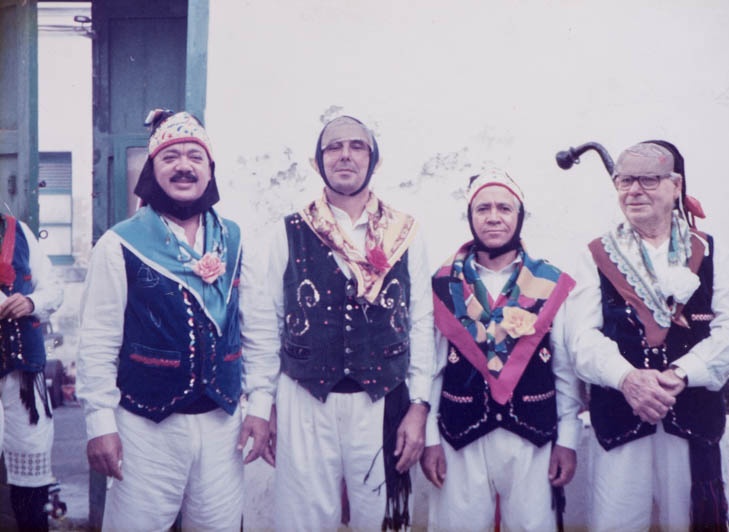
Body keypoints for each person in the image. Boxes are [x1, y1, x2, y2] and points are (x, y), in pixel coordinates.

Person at [76, 109, 270, 530]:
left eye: (195, 157)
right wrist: (99, 424)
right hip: (145, 428)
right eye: (170, 157)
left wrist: (261, 407)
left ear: (210, 170)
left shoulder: (236, 240)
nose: (184, 166)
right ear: (153, 170)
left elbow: (259, 330)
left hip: (223, 427)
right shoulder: (119, 243)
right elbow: (97, 340)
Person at [569, 141, 729, 531]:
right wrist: (628, 378)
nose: (634, 191)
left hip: (692, 420)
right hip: (620, 420)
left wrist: (682, 373)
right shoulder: (594, 255)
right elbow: (582, 340)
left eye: (649, 180)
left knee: (688, 522)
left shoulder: (710, 251)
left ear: (676, 186)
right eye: (625, 181)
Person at [259, 115, 434, 530]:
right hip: (304, 397)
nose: (345, 155)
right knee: (302, 522)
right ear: (318, 161)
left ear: (373, 159)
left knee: (380, 520)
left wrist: (419, 407)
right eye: (334, 147)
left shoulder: (405, 232)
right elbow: (266, 321)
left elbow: (421, 322)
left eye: (357, 146)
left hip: (383, 397)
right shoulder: (288, 231)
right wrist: (264, 405)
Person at [421, 169, 583, 531]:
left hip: (533, 439)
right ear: (470, 217)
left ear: (520, 216)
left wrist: (568, 440)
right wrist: (430, 439)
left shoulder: (549, 282)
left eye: (504, 208)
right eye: (483, 208)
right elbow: (431, 369)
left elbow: (564, 371)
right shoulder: (443, 284)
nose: (493, 217)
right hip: (458, 438)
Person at [0, 213, 63, 531]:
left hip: (23, 373)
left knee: (31, 468)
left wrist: (30, 301)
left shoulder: (19, 231)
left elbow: (53, 288)